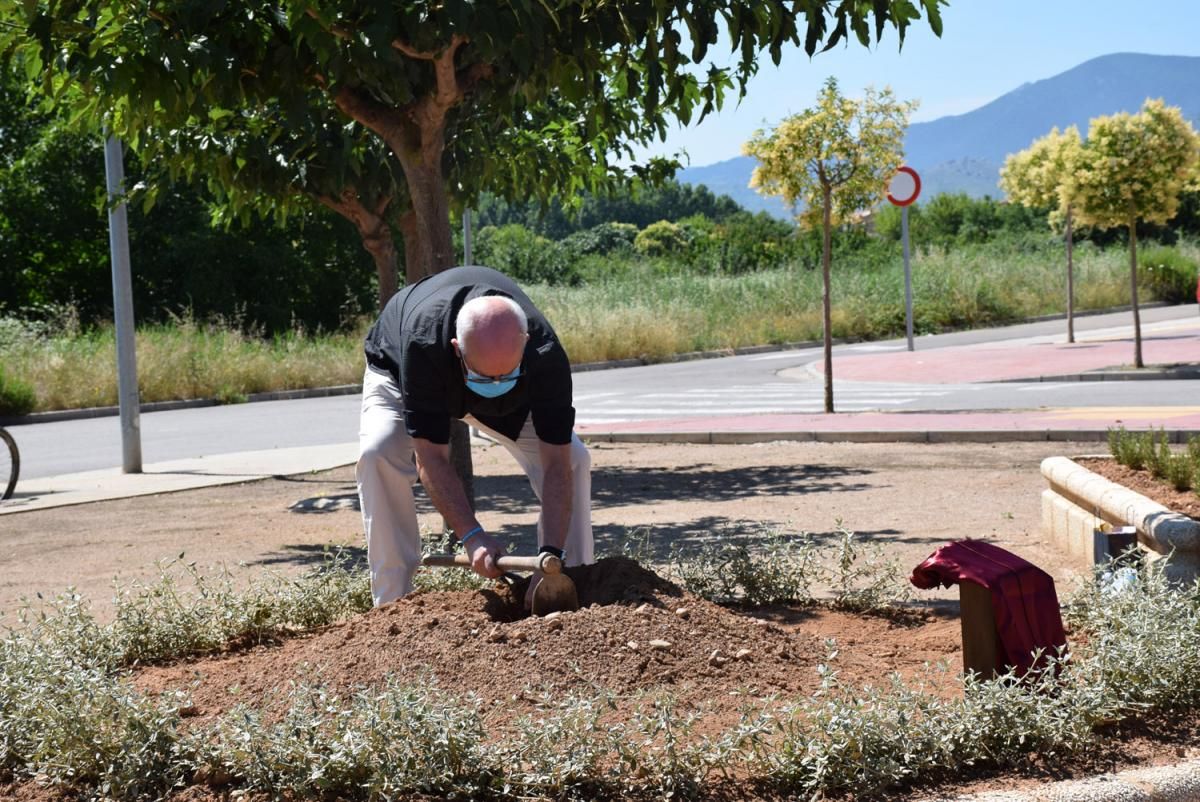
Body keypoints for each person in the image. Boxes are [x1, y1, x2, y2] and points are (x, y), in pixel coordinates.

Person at [356, 265, 594, 608]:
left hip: (507, 394)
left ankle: (568, 578)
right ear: (457, 347)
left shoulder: (545, 354)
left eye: (505, 374)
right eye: (487, 376)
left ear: (525, 343)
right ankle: (392, 601)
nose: (496, 386)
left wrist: (551, 555)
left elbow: (557, 463)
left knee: (575, 458)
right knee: (378, 454)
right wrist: (472, 537)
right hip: (400, 370)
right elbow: (431, 458)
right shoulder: (424, 344)